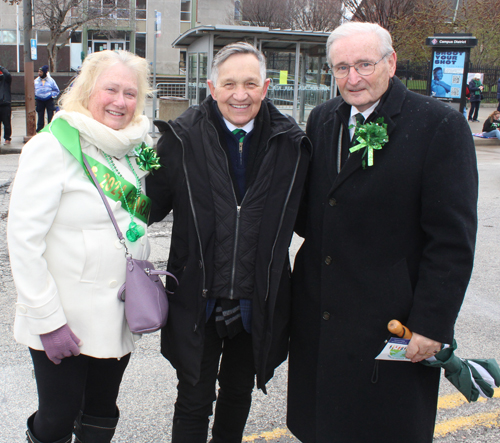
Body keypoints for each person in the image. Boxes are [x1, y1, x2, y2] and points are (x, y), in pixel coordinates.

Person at [287, 22, 478, 443]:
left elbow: (452, 240)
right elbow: (316, 210)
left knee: (382, 430)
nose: (352, 78)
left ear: (390, 63)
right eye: (341, 68)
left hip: (389, 321)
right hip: (322, 317)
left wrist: (432, 324)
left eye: (364, 64)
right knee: (322, 428)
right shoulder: (322, 119)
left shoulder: (438, 127)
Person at [147, 42, 311, 442]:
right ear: (212, 87)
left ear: (267, 87)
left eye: (251, 83)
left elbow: (314, 218)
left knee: (238, 393)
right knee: (194, 396)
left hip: (257, 298)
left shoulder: (293, 144)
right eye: (230, 83)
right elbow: (144, 207)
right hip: (197, 298)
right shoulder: (180, 138)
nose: (241, 94)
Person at [8, 50, 152, 443]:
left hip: (119, 314)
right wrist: (47, 319)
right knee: (58, 416)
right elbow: (23, 241)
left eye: (130, 92)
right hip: (65, 320)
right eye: (111, 90)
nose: (120, 102)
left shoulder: (135, 146)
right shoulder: (52, 147)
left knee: (103, 411)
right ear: (87, 90)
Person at [34, 65, 60, 132]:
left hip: (49, 100)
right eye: (38, 71)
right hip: (39, 100)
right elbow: (32, 90)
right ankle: (40, 129)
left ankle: (51, 128)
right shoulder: (36, 81)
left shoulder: (51, 81)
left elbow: (56, 90)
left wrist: (51, 95)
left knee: (50, 115)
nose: (39, 73)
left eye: (41, 72)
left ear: (45, 72)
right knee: (40, 115)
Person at [0, 64, 12, 144]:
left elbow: (7, 74)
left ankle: (7, 138)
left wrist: (1, 67)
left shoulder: (6, 80)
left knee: (6, 122)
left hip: (5, 103)